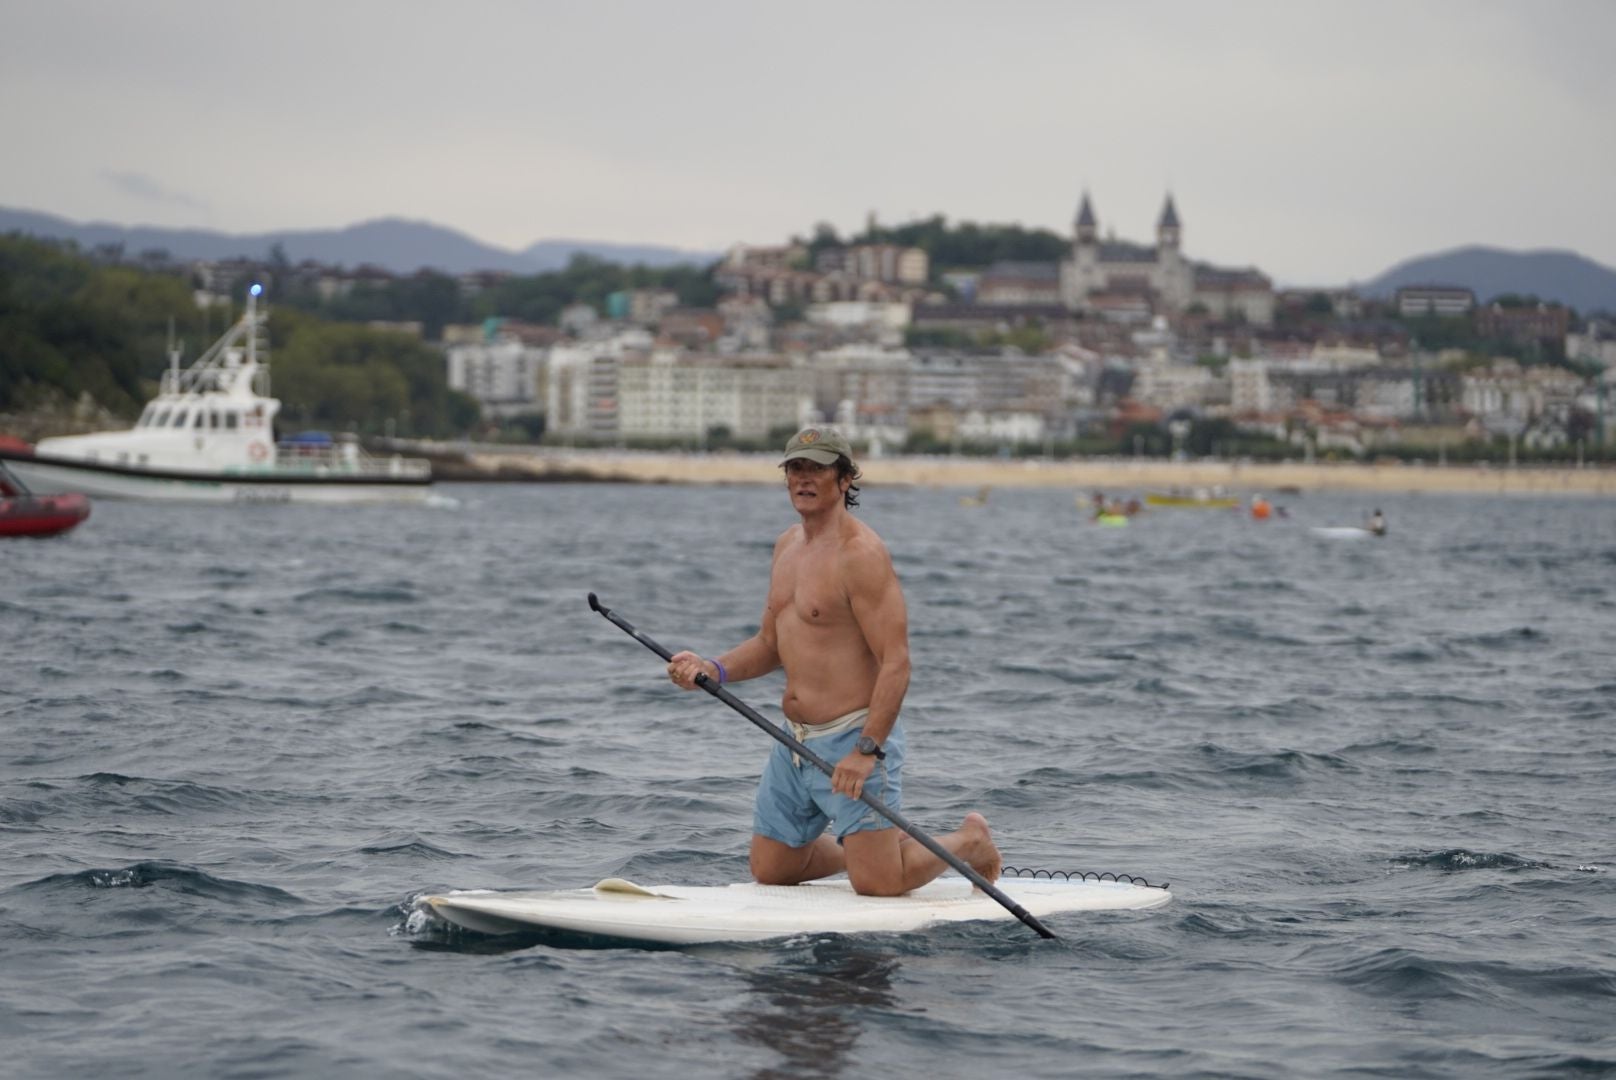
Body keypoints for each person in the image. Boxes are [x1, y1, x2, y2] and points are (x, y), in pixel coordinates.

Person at [666, 426, 1001, 897]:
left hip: (852, 738)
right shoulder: (787, 546)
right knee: (773, 868)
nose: (804, 479)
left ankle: (968, 839)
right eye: (795, 469)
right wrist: (712, 668)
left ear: (844, 479)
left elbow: (896, 663)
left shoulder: (861, 555)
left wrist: (865, 752)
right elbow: (769, 643)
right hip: (794, 741)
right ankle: (881, 845)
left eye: (818, 469)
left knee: (879, 884)